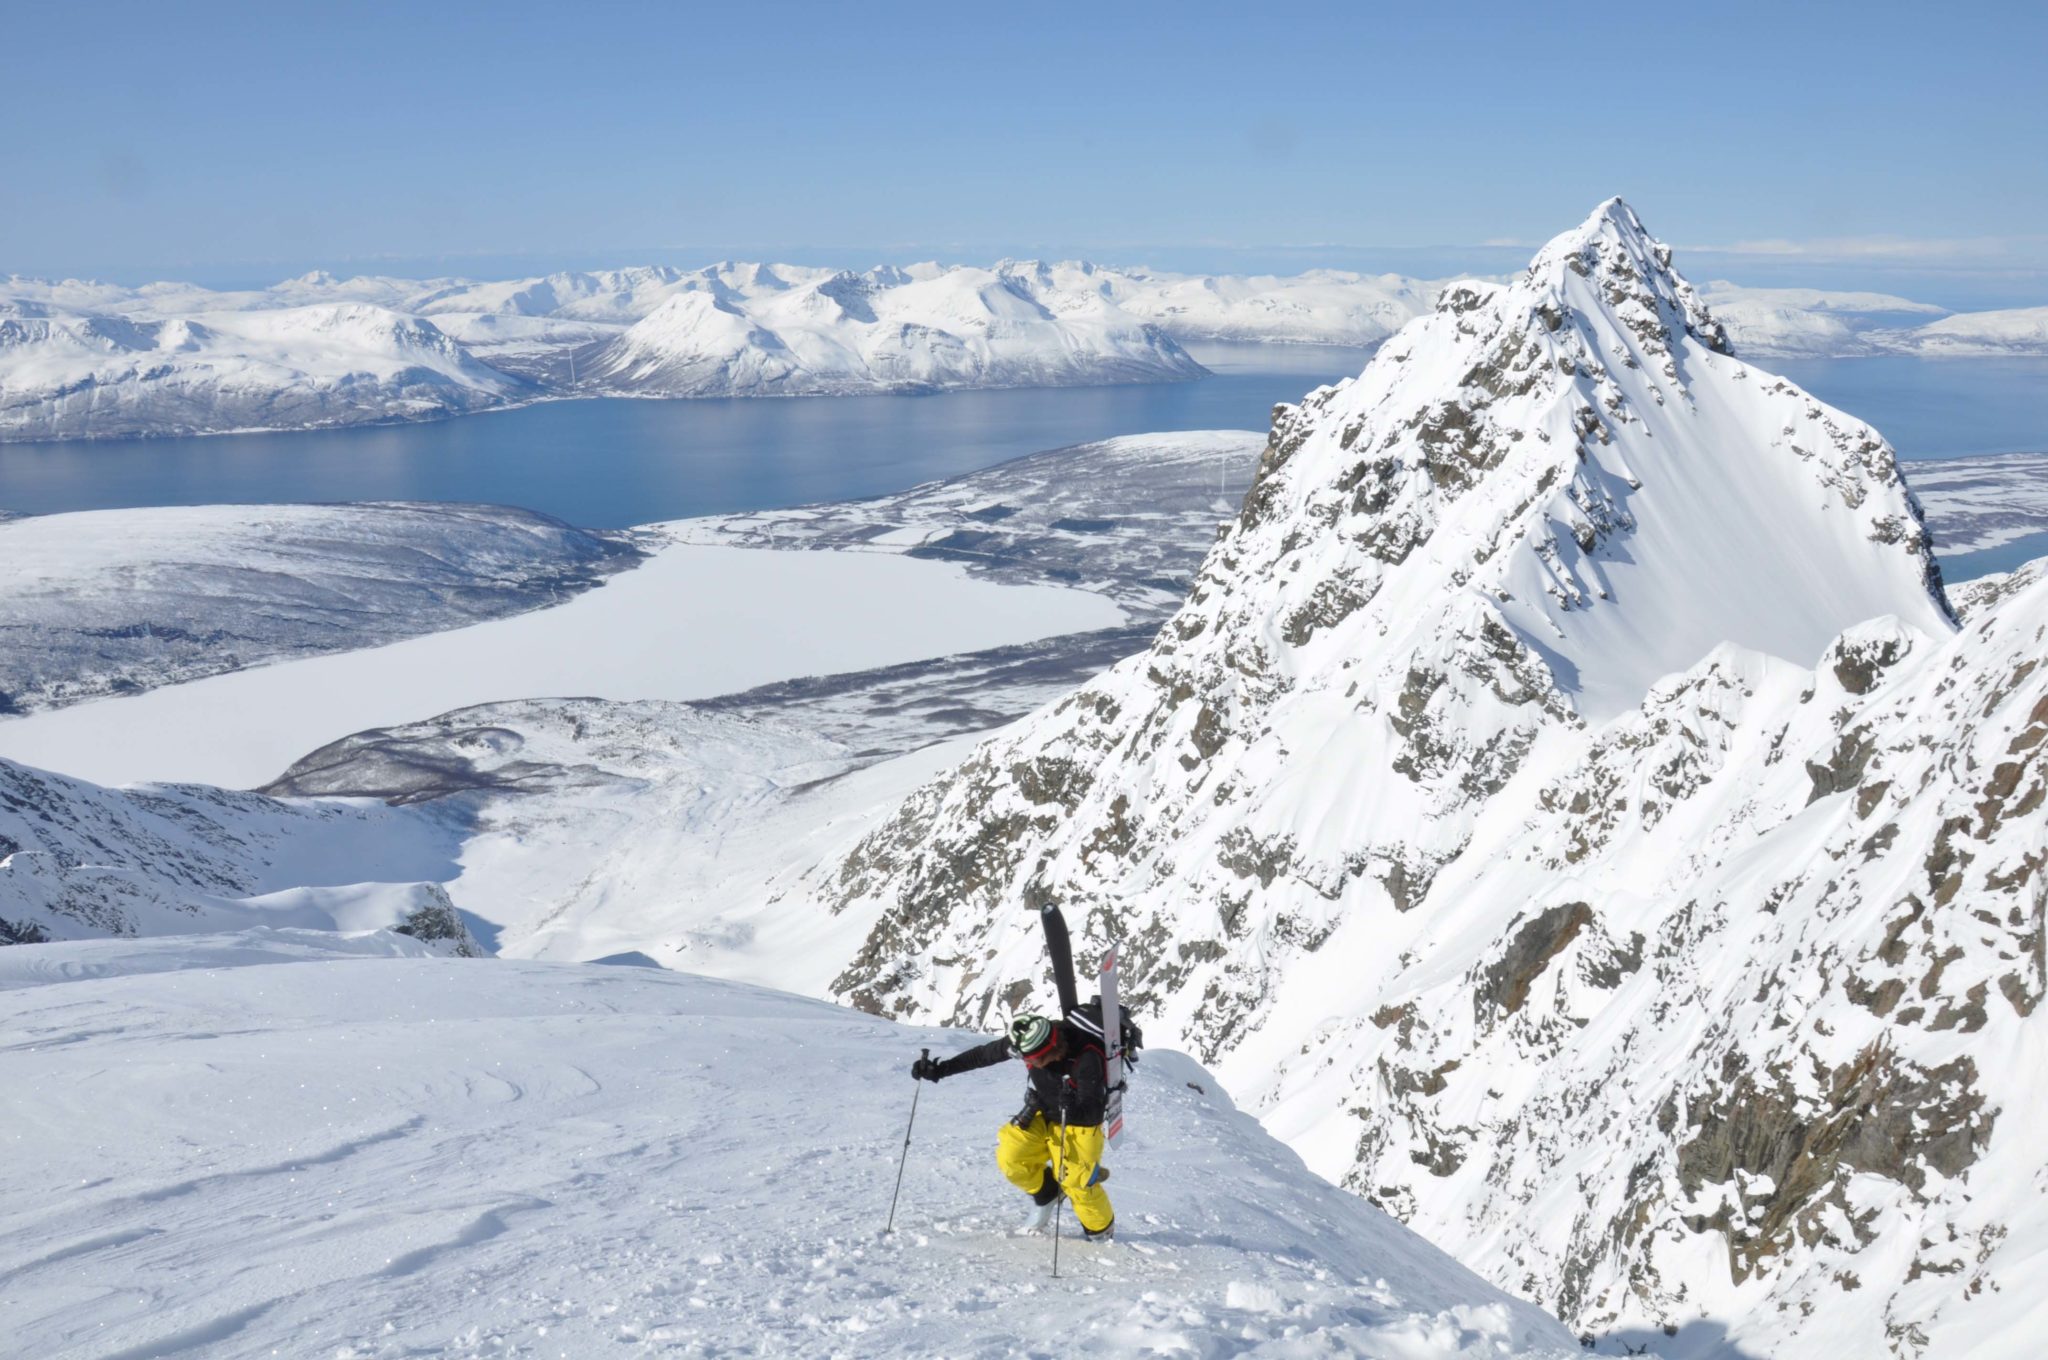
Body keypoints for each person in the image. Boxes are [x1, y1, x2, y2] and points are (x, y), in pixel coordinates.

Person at [911, 1011, 1115, 1240]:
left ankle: (1101, 1234)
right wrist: (941, 1070)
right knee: (1012, 1155)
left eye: (1032, 1060)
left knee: (1077, 1183)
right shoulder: (1024, 1040)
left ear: (1052, 1049)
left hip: (1080, 1124)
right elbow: (984, 1055)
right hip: (1044, 1112)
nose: (1027, 1063)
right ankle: (1048, 1192)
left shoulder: (1086, 1059)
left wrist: (1070, 1105)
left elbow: (1092, 1112)